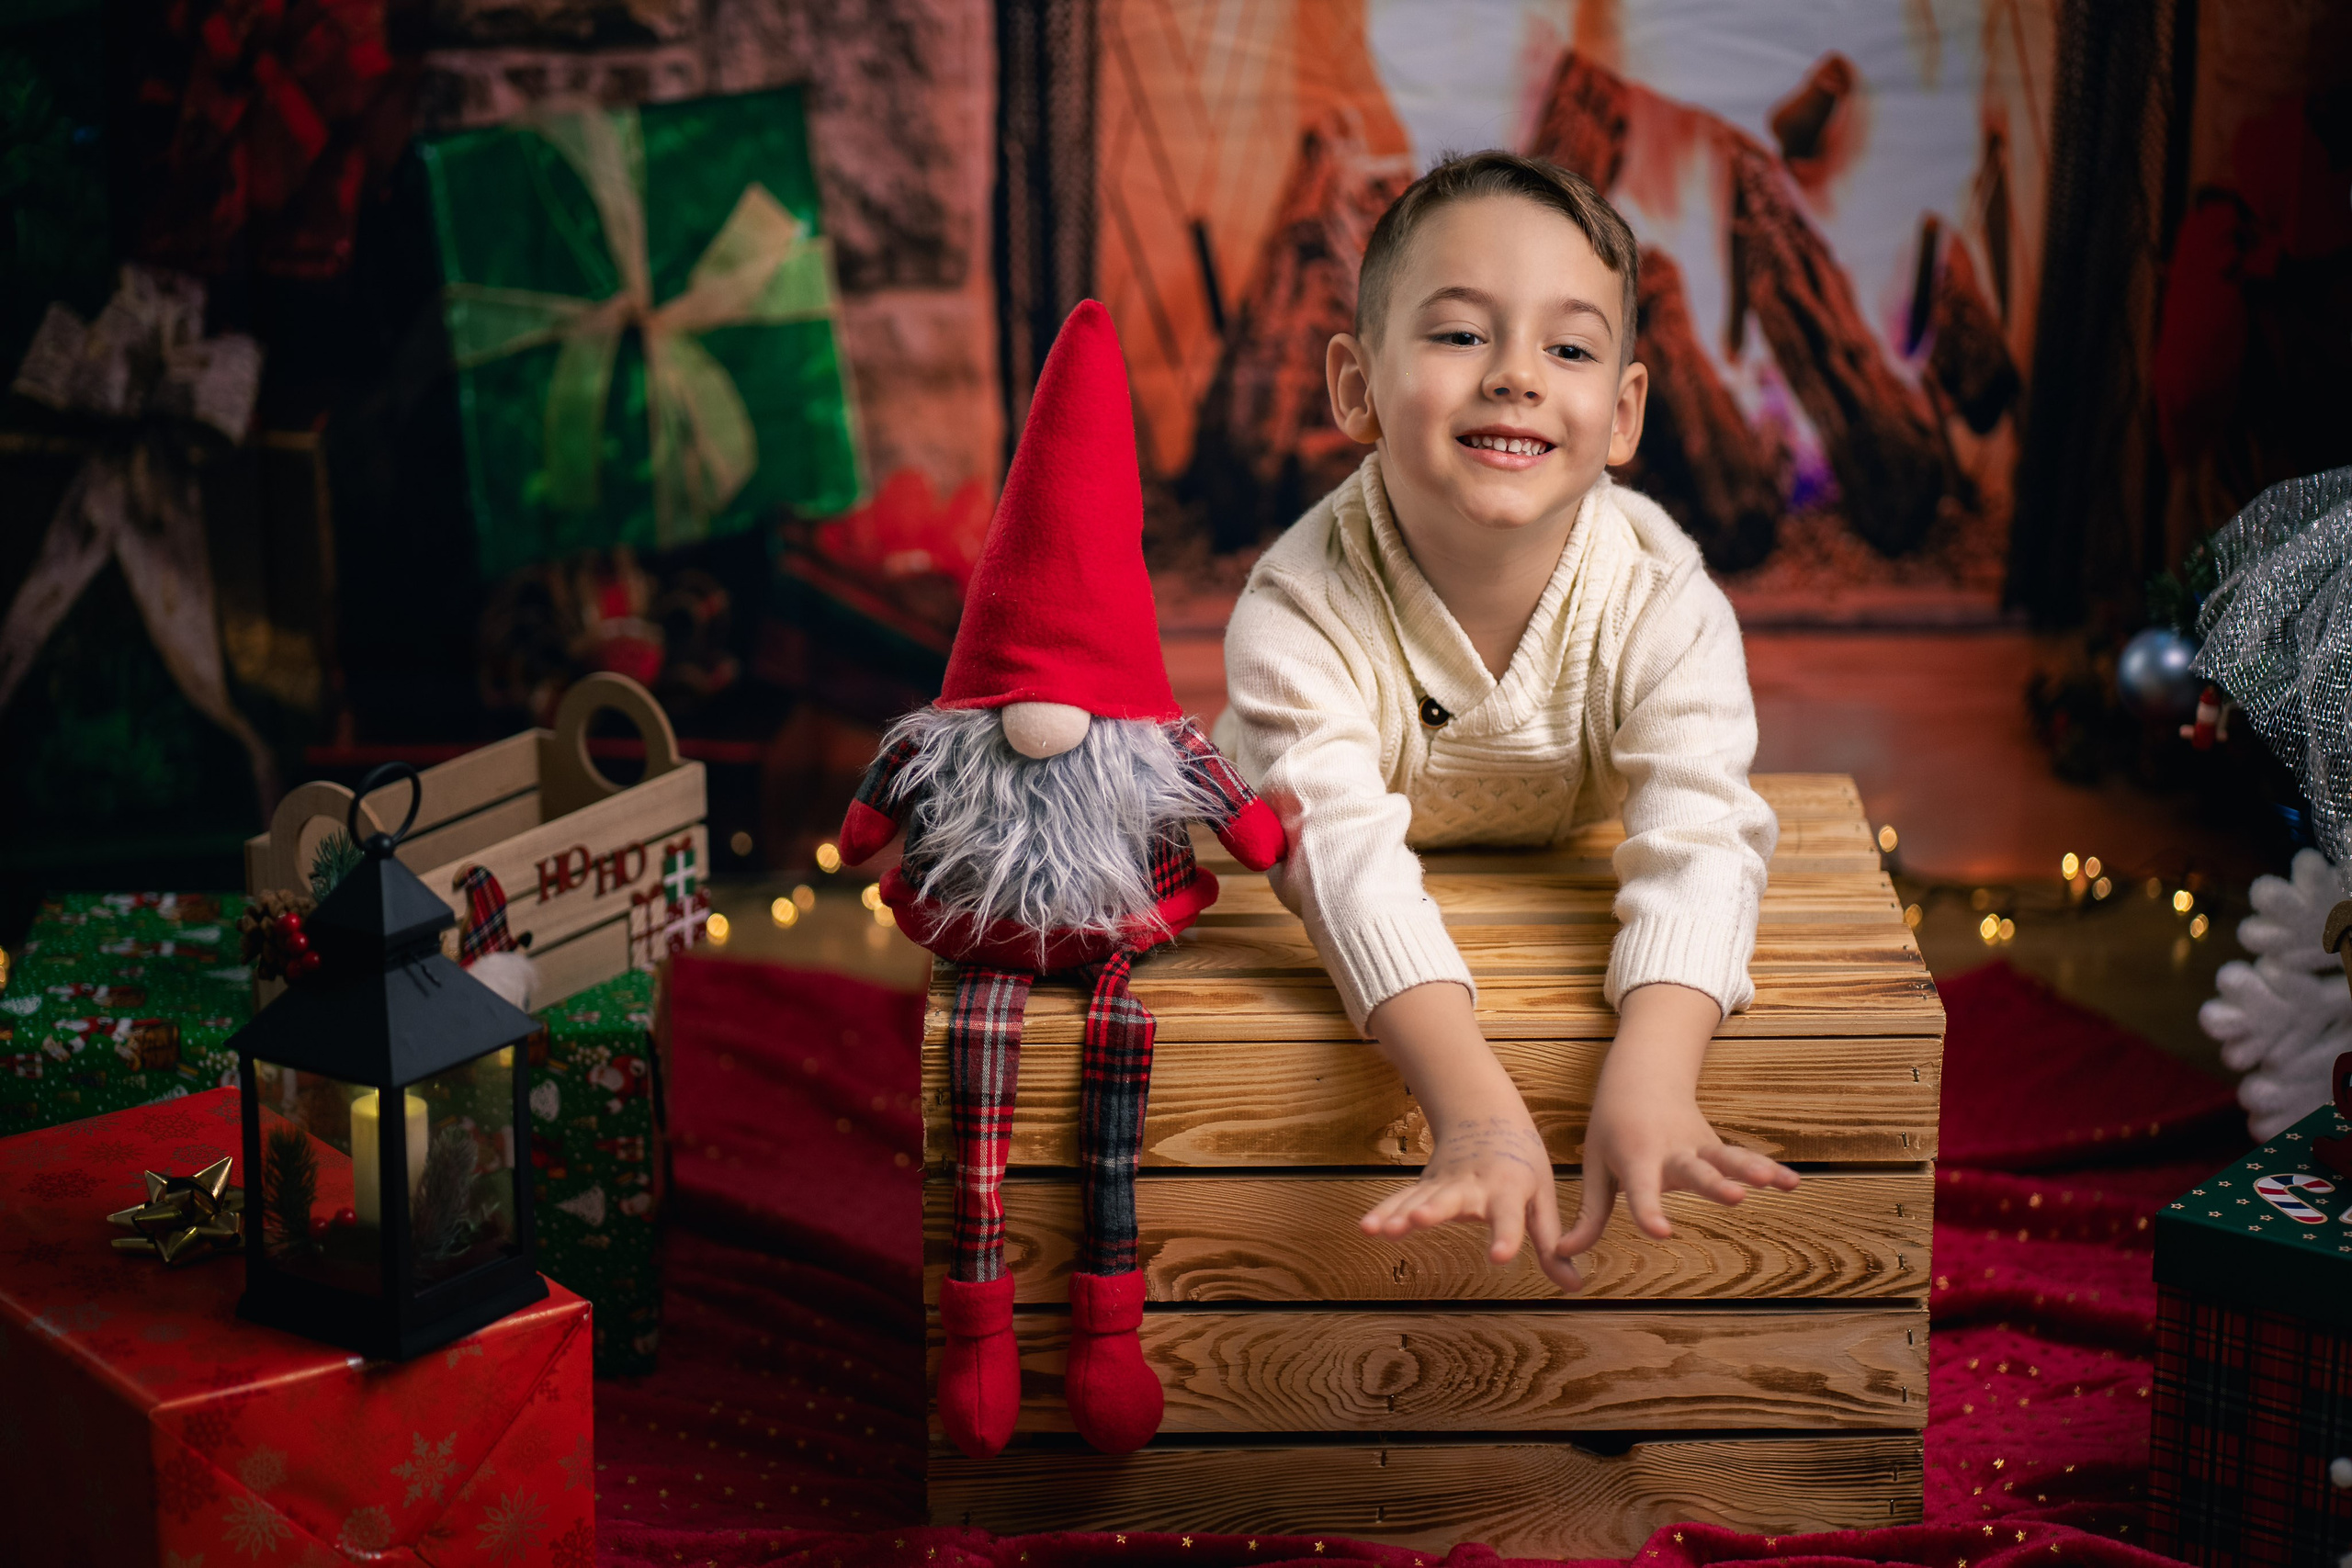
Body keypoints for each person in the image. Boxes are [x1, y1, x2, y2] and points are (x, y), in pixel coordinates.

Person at [1214, 150, 1799, 1292]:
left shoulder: (1660, 595)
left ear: (1622, 412)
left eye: (1569, 348)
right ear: (1356, 387)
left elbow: (1700, 833)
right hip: (1294, 817)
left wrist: (1653, 1075)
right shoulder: (1295, 608)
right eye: (1459, 334)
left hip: (1559, 832)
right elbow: (1340, 860)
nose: (1516, 376)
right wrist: (1475, 1109)